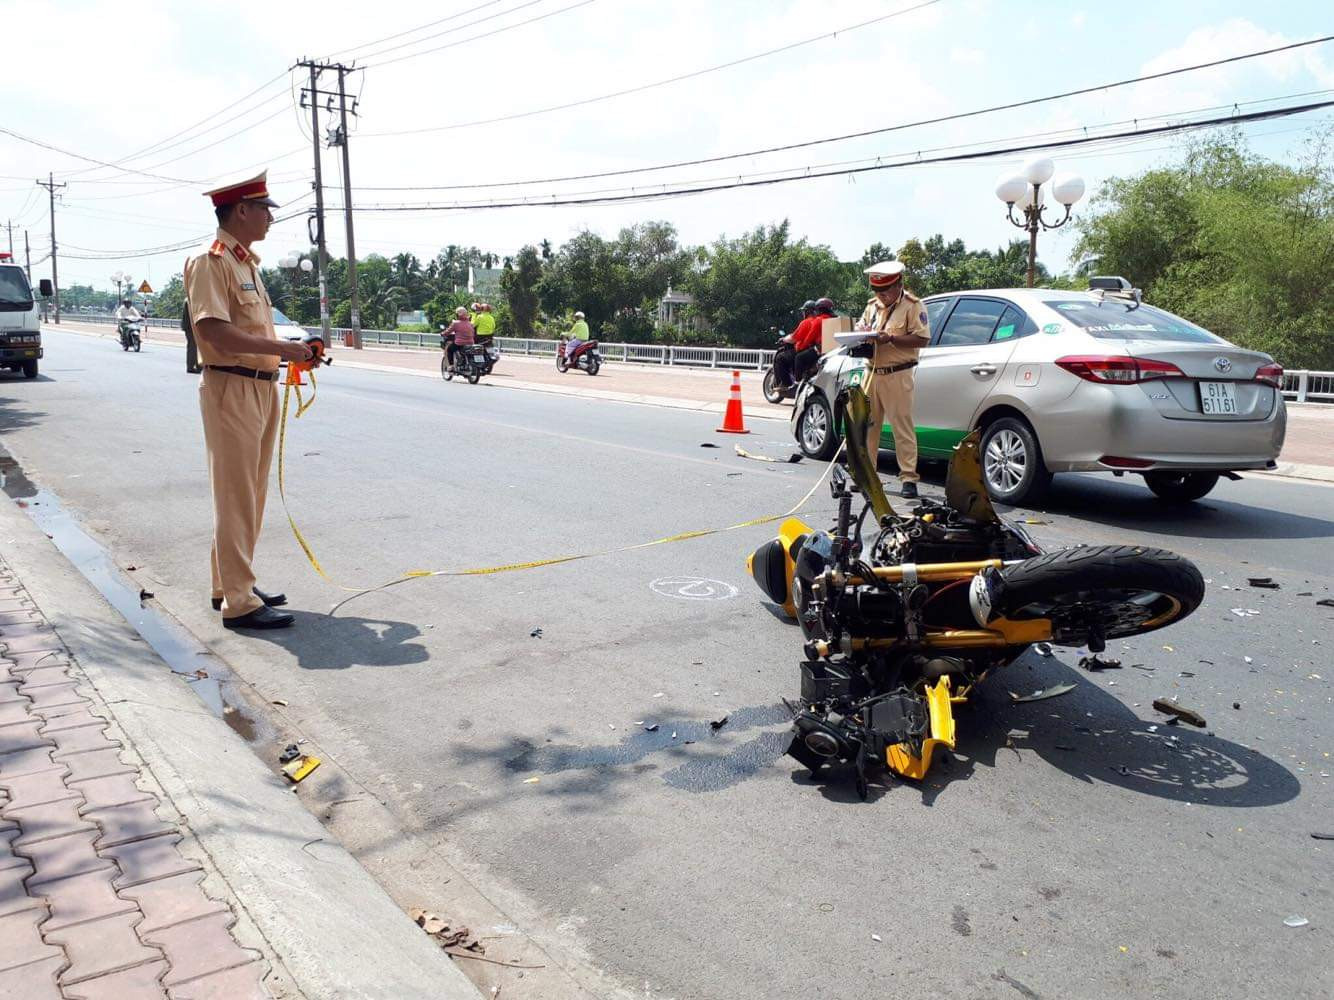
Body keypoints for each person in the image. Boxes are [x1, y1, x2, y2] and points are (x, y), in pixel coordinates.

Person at [183, 170, 312, 630]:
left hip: (260, 385)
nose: (270, 218)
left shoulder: (246, 263)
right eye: (264, 209)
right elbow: (211, 329)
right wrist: (284, 350)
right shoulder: (211, 261)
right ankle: (239, 603)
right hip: (231, 385)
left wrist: (291, 355)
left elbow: (253, 329)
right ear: (241, 210)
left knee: (250, 493)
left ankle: (229, 585)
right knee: (235, 494)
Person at [856, 260, 930, 499]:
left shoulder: (913, 306)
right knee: (868, 427)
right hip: (871, 373)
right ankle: (868, 476)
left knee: (902, 428)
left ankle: (908, 478)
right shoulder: (872, 306)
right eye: (877, 291)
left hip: (898, 373)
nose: (882, 295)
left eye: (886, 290)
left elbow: (922, 339)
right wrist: (861, 333)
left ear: (899, 284)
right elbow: (863, 326)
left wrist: (892, 339)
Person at [774, 300, 817, 388]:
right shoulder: (819, 321)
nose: (803, 313)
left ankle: (786, 384)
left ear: (807, 311)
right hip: (814, 351)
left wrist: (784, 339)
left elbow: (794, 338)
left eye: (804, 311)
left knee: (780, 358)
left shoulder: (806, 322)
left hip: (804, 351)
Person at [791, 297, 835, 383]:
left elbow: (809, 339)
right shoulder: (834, 319)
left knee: (799, 358)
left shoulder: (818, 321)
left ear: (819, 309)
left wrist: (800, 348)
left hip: (820, 350)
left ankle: (797, 383)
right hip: (833, 350)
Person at [442, 306, 476, 372]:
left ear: (458, 314)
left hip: (459, 343)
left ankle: (451, 366)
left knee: (449, 349)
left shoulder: (455, 323)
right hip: (470, 343)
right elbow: (473, 333)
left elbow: (448, 331)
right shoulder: (470, 324)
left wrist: (443, 333)